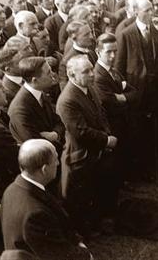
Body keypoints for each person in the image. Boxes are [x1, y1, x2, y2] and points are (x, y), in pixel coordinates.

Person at [57, 55, 119, 233]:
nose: (92, 74)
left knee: (100, 188)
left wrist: (107, 134)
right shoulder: (67, 100)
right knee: (82, 196)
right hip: (80, 156)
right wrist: (106, 140)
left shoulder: (89, 89)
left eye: (92, 69)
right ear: (71, 75)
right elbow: (80, 132)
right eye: (86, 72)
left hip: (98, 151)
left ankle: (99, 222)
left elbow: (101, 114)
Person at [116, 0, 158, 181]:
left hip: (157, 90)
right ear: (135, 11)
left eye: (152, 9)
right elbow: (119, 66)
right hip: (138, 90)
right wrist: (126, 90)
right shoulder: (126, 34)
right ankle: (142, 168)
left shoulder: (157, 30)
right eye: (147, 10)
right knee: (140, 130)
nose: (151, 13)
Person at [1, 139, 92, 259]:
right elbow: (58, 255)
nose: (58, 164)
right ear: (44, 169)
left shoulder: (13, 189)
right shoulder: (35, 214)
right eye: (55, 160)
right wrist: (85, 254)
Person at [94, 33, 135, 177]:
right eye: (108, 52)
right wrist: (122, 96)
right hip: (111, 124)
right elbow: (107, 101)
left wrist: (122, 97)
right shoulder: (98, 75)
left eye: (115, 51)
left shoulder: (114, 71)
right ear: (98, 52)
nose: (113, 56)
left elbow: (134, 92)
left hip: (121, 121)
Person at [8, 57, 65, 154]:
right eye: (48, 72)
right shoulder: (20, 109)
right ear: (35, 80)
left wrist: (55, 134)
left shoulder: (40, 93)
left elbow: (59, 122)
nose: (53, 75)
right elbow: (35, 143)